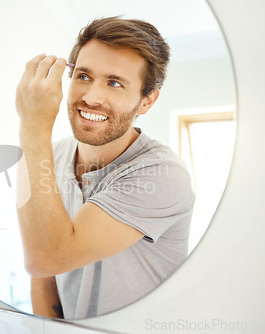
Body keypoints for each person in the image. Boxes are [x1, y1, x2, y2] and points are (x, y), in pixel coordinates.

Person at [15, 17, 195, 319]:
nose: (91, 97)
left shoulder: (162, 173)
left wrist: (32, 123)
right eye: (83, 76)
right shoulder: (49, 154)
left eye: (114, 83)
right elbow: (42, 270)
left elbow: (46, 258)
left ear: (146, 102)